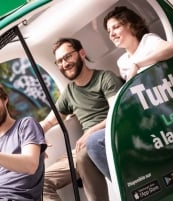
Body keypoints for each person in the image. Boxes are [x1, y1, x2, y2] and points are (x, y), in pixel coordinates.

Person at [86, 5, 173, 188]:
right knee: (95, 141)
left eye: (116, 27)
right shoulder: (121, 62)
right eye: (109, 30)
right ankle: (131, 185)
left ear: (130, 25)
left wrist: (138, 64)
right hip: (140, 115)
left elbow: (172, 49)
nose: (111, 34)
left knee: (96, 142)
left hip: (161, 110)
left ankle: (131, 187)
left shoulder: (148, 41)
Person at [40, 37, 123, 201]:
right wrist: (34, 138)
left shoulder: (105, 78)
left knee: (85, 154)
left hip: (107, 139)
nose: (64, 64)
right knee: (41, 183)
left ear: (81, 53)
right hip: (83, 146)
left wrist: (91, 131)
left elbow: (119, 113)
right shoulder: (69, 93)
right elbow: (49, 121)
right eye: (59, 61)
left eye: (67, 57)